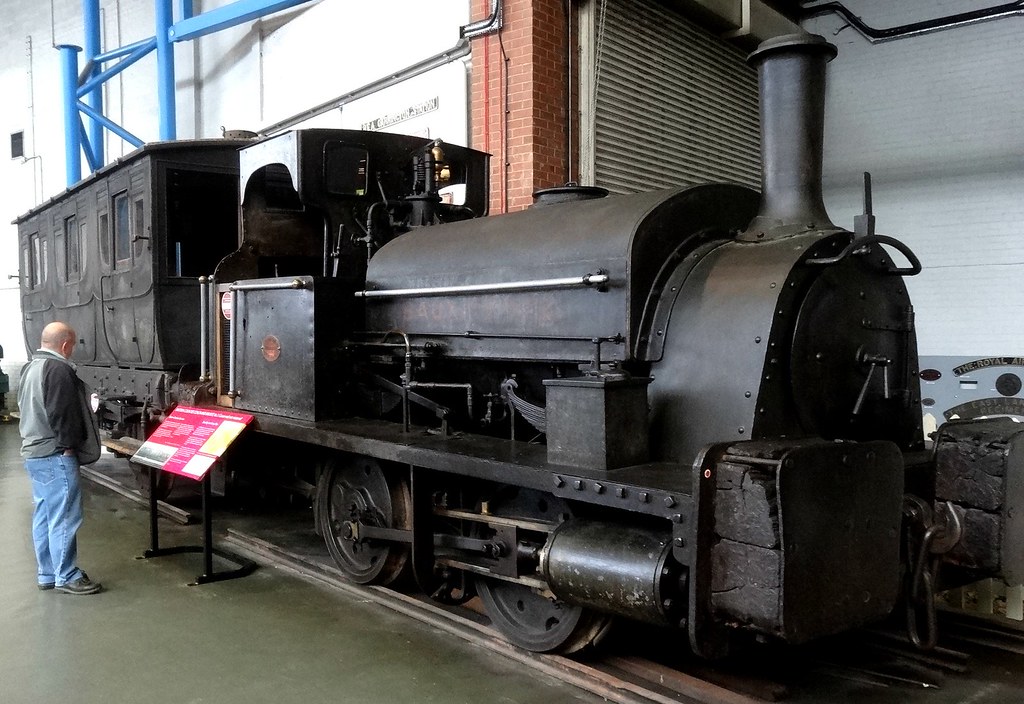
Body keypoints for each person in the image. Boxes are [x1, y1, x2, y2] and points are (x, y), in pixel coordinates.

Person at [18, 321, 102, 595]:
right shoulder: (59, 369)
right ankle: (67, 575)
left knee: (44, 515)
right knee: (65, 517)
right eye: (73, 346)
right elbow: (62, 413)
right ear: (65, 345)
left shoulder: (30, 368)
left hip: (34, 454)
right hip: (55, 455)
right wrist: (68, 447)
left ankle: (47, 573)